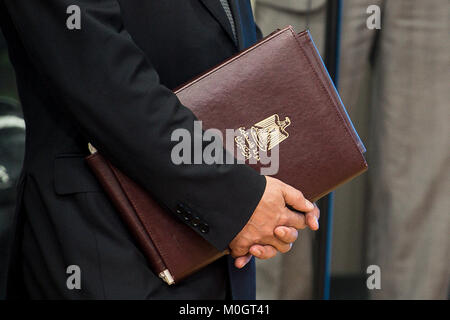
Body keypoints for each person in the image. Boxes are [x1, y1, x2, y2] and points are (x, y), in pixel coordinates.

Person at [0, 0, 319, 299]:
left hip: (218, 239)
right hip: (108, 243)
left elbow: (225, 33)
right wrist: (238, 200)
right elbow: (106, 82)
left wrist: (279, 181)